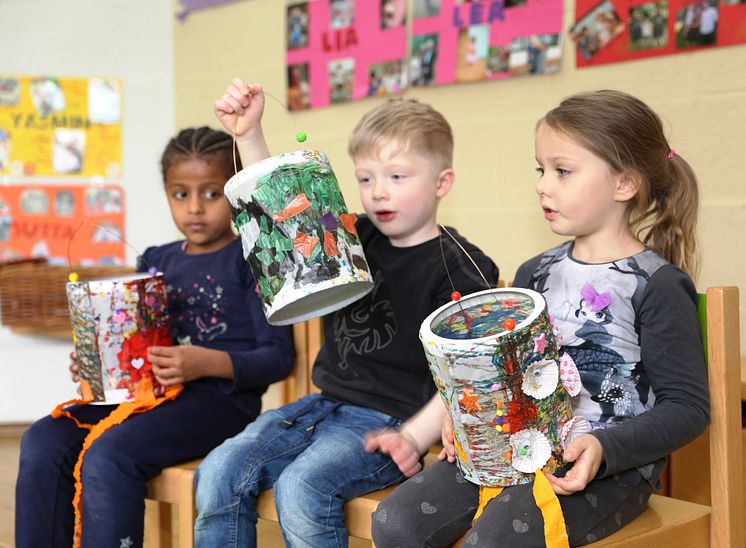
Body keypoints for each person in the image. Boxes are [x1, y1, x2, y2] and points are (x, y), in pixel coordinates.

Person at [371, 89, 710, 547]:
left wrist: (605, 448)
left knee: (495, 539)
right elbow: (507, 371)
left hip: (609, 467)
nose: (542, 184)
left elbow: (688, 409)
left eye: (563, 171)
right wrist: (467, 413)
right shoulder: (535, 272)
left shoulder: (658, 284)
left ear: (624, 184)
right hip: (518, 445)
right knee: (396, 522)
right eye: (541, 169)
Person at [193, 78, 499, 548]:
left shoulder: (461, 264)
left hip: (388, 421)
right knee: (218, 471)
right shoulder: (350, 235)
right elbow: (282, 215)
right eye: (366, 178)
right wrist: (248, 134)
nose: (379, 193)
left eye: (397, 177)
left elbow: (469, 373)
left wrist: (415, 438)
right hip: (321, 405)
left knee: (302, 488)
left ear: (442, 182)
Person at [14, 126, 295, 548]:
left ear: (234, 191)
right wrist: (103, 361)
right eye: (180, 194)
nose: (195, 208)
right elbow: (137, 340)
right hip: (151, 398)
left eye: (212, 193)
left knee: (110, 452)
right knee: (43, 437)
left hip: (220, 405)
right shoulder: (155, 258)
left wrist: (202, 362)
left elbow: (278, 358)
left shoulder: (251, 256)